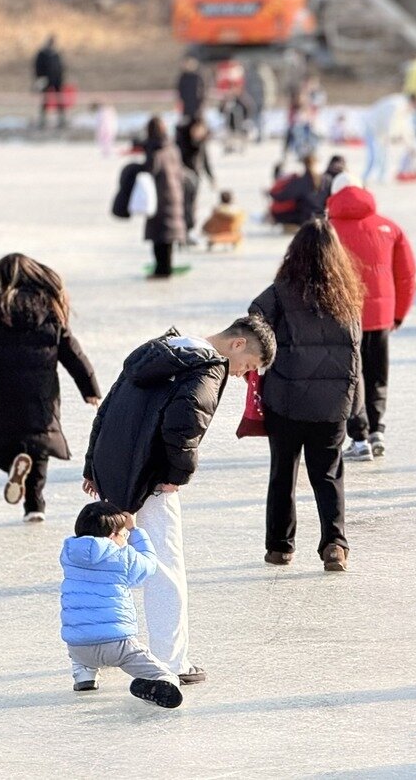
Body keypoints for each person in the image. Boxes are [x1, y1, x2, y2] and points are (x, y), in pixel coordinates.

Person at [83, 315, 275, 683]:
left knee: (107, 564)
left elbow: (110, 406)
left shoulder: (166, 347)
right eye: (247, 366)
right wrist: (177, 475)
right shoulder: (207, 368)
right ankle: (171, 662)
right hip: (150, 480)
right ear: (237, 345)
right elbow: (185, 424)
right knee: (165, 572)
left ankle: (90, 654)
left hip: (115, 471)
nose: (242, 376)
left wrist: (93, 465)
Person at [248, 221, 363, 570]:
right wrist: (357, 411)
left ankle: (280, 547)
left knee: (283, 471)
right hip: (333, 405)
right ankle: (334, 545)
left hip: (286, 398)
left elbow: (253, 320)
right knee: (328, 474)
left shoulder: (281, 292)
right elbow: (357, 354)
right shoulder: (348, 297)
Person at [0, 253, 101, 522]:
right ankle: (35, 506)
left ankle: (13, 465)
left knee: (2, 444)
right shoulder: (50, 309)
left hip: (4, 393)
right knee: (40, 446)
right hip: (42, 395)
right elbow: (73, 353)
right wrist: (89, 388)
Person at [324, 174, 416, 462]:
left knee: (350, 376)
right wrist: (398, 313)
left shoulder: (326, 230)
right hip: (380, 318)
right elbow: (407, 275)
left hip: (342, 316)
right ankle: (377, 430)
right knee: (377, 375)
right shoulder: (389, 227)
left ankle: (359, 436)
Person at [61, 501, 183, 708]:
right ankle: (164, 682)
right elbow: (149, 565)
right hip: (117, 645)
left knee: (84, 632)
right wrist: (135, 531)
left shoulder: (69, 555)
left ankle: (84, 675)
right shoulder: (123, 556)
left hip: (78, 647)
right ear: (112, 536)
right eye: (122, 534)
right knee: (163, 673)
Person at [141, 118, 185, 278]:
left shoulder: (156, 150)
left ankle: (162, 270)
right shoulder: (173, 147)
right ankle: (165, 267)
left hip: (160, 197)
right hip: (175, 194)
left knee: (159, 237)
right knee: (168, 236)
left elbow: (151, 170)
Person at [363, 92, 416, 186]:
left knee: (385, 155)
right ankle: (365, 178)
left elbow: (407, 130)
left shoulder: (406, 110)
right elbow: (388, 121)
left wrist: (411, 147)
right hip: (372, 128)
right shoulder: (396, 104)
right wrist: (390, 136)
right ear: (413, 101)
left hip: (382, 133)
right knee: (374, 157)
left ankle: (382, 178)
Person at [175, 114, 215, 241]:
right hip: (183, 177)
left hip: (196, 176)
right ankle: (183, 231)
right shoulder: (182, 140)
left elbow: (205, 159)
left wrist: (211, 177)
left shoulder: (200, 141)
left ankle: (189, 231)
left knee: (192, 205)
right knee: (183, 205)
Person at [268, 153, 327, 227]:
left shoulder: (300, 180)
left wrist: (271, 193)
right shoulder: (325, 179)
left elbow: (284, 196)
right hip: (322, 215)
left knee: (281, 212)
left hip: (305, 217)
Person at [34, 35, 67, 129]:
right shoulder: (42, 54)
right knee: (45, 101)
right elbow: (38, 67)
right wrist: (40, 78)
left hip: (57, 81)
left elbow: (60, 67)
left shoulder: (56, 54)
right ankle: (42, 120)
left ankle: (61, 120)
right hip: (45, 80)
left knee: (59, 101)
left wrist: (60, 79)